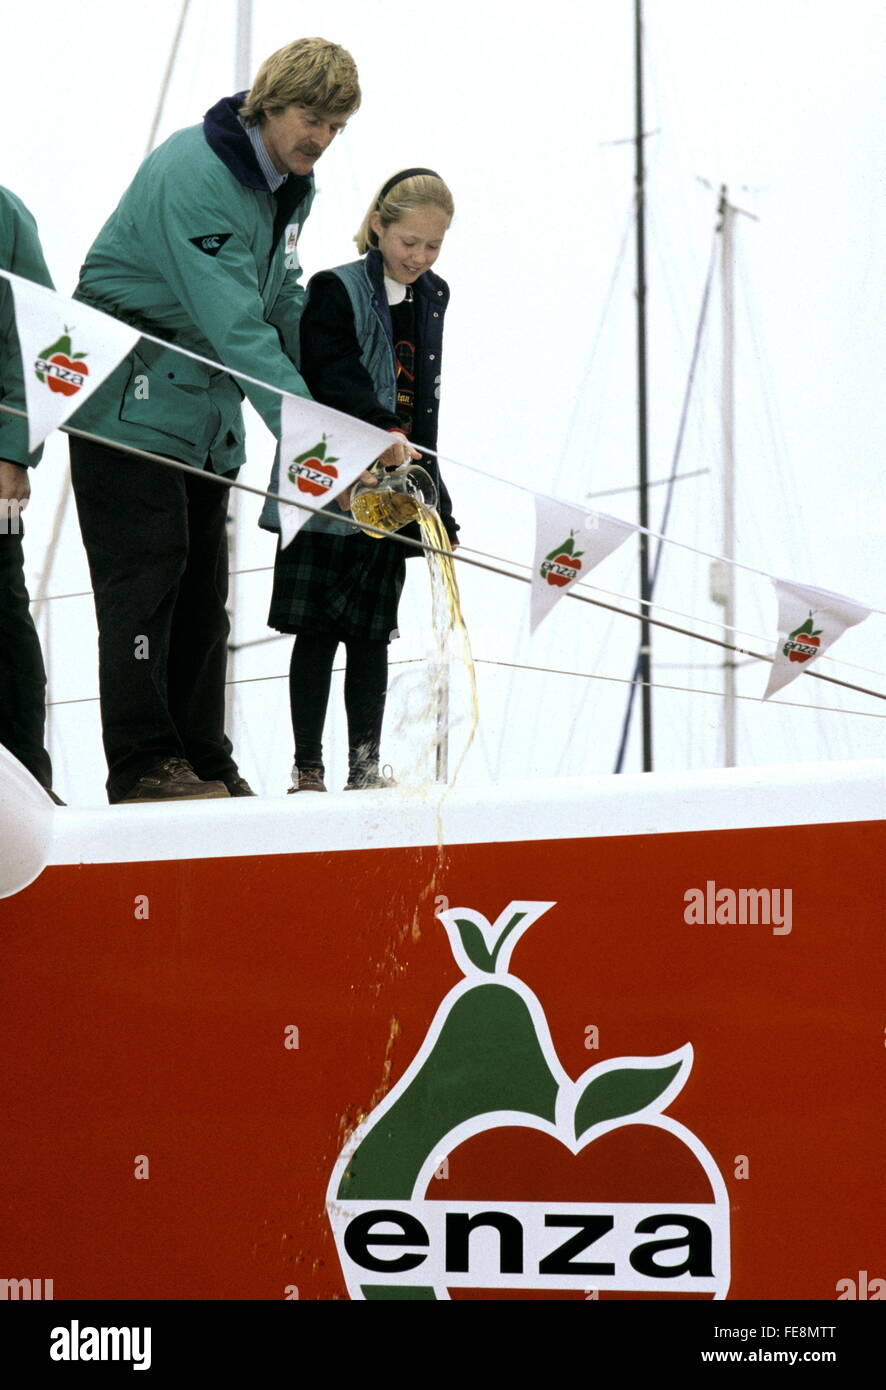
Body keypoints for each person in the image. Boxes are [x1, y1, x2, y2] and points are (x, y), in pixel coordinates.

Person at [67, 38, 361, 804]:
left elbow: (281, 302)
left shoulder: (288, 188)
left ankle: (202, 757)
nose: (320, 137)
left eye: (334, 125)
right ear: (268, 104)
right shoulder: (198, 173)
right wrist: (312, 441)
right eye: (310, 117)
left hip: (202, 414)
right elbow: (237, 329)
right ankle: (141, 764)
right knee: (147, 586)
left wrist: (351, 411)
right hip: (125, 408)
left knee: (204, 600)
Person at [261, 169, 459, 792]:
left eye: (433, 246)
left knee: (372, 637)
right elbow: (331, 373)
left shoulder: (434, 295)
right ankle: (307, 767)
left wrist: (439, 504)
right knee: (315, 633)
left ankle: (366, 767)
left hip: (396, 490)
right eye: (408, 243)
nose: (419, 258)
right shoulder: (332, 289)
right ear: (378, 225)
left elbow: (421, 408)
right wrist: (381, 432)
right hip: (326, 474)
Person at [0, 185, 63, 804]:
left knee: (2, 617)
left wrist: (14, 450)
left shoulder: (6, 214)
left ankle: (27, 786)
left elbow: (39, 336)